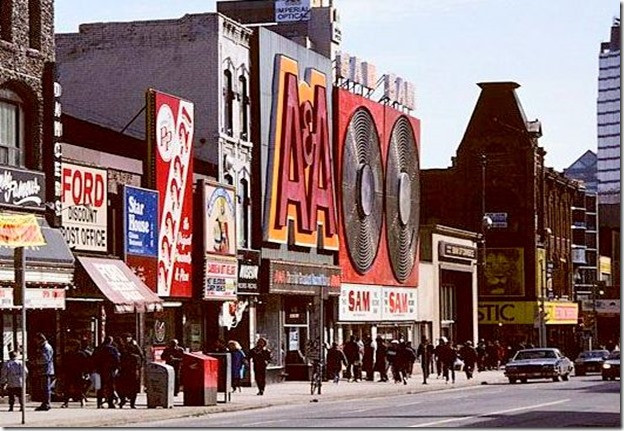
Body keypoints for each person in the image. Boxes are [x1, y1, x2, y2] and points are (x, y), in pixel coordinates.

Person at [92, 336, 121, 409]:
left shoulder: (98, 349)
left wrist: (94, 368)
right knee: (110, 387)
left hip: (99, 370)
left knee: (100, 387)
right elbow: (117, 360)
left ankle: (99, 403)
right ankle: (110, 403)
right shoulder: (112, 349)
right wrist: (117, 368)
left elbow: (93, 359)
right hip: (109, 370)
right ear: (111, 341)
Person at [117, 334, 144, 409]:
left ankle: (123, 400)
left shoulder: (124, 353)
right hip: (132, 373)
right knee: (132, 389)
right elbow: (142, 357)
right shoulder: (135, 356)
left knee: (123, 387)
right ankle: (131, 403)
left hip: (126, 372)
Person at [61, 339, 90, 408]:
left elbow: (85, 364)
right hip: (69, 373)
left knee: (78, 387)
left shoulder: (81, 354)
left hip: (78, 373)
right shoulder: (67, 354)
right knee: (66, 388)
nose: (70, 348)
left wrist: (85, 373)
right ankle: (66, 402)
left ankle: (82, 399)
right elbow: (64, 364)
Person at [32, 332, 54, 411]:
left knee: (45, 387)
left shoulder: (46, 347)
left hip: (45, 370)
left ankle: (46, 403)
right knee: (44, 387)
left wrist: (35, 362)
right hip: (43, 370)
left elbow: (44, 359)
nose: (35, 342)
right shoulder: (43, 347)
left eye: (36, 340)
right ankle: (45, 402)